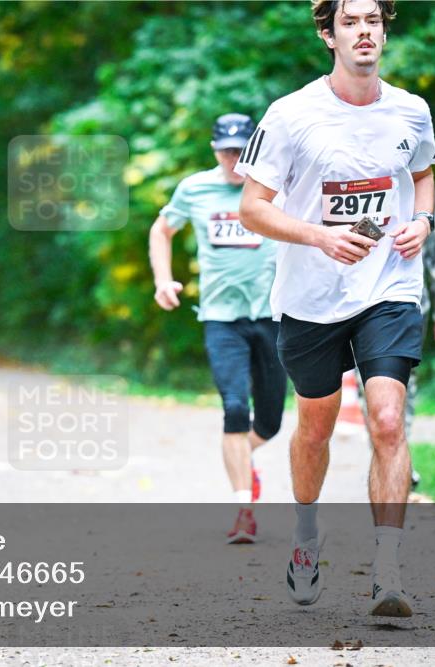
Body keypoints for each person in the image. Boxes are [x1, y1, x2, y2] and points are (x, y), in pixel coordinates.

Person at [235, 0, 435, 617]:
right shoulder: (291, 114)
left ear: (384, 29)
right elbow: (252, 207)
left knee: (385, 418)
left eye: (373, 21)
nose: (364, 32)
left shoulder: (412, 109)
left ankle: (388, 571)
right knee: (316, 426)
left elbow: (424, 174)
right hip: (311, 297)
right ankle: (304, 538)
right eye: (350, 22)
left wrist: (422, 220)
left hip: (388, 287)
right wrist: (320, 235)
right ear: (329, 35)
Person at [149, 113, 286, 545]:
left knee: (270, 421)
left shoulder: (274, 189)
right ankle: (244, 508)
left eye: (241, 149)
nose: (233, 158)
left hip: (271, 316)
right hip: (220, 319)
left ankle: (244, 462)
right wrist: (162, 279)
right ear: (215, 151)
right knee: (233, 408)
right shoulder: (194, 189)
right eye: (226, 150)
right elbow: (162, 229)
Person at [357, 193, 435, 488]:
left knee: (403, 383)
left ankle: (400, 454)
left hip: (410, 305)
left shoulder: (425, 205)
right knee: (369, 387)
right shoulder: (365, 190)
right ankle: (383, 451)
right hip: (361, 304)